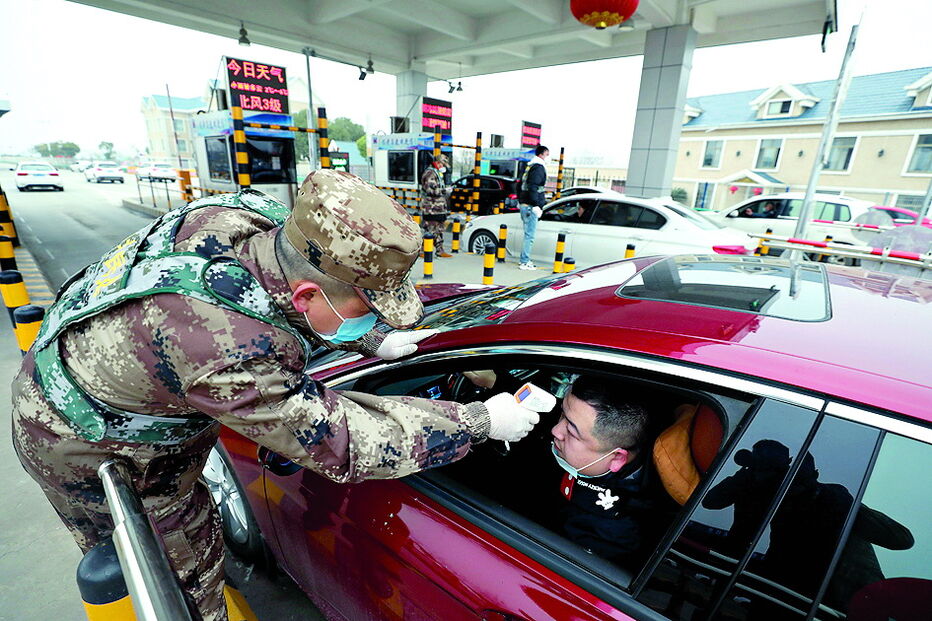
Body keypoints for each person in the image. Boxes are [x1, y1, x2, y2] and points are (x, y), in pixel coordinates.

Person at [11, 170, 539, 621]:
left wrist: (374, 337)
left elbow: (278, 298)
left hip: (111, 368)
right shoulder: (224, 349)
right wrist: (478, 422)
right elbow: (341, 440)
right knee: (173, 567)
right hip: (87, 442)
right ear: (307, 294)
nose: (376, 319)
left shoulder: (246, 219)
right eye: (369, 310)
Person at [550, 375, 663, 565]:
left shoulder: (611, 532)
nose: (555, 430)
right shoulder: (593, 441)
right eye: (562, 414)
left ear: (617, 458)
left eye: (571, 432)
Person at [518, 145, 549, 270]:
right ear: (541, 154)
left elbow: (521, 184)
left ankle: (524, 260)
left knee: (527, 234)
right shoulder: (538, 167)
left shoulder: (530, 165)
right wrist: (536, 205)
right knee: (529, 235)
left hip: (525, 204)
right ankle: (524, 261)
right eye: (547, 154)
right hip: (531, 206)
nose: (548, 157)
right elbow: (533, 187)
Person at [419, 153, 452, 257]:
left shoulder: (437, 173)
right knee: (431, 230)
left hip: (438, 208)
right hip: (431, 208)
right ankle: (423, 251)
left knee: (439, 230)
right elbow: (430, 190)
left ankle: (440, 250)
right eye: (442, 164)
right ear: (437, 163)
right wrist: (444, 191)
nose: (443, 167)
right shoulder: (429, 173)